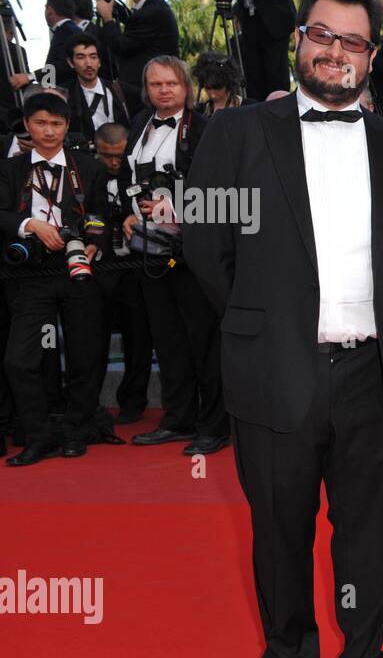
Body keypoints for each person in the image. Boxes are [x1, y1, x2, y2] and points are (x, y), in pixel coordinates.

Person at [185, 0, 383, 658]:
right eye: (323, 35)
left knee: (367, 534)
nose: (335, 52)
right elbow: (206, 249)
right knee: (280, 532)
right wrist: (264, 323)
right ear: (298, 41)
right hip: (275, 369)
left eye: (353, 42)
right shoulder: (238, 132)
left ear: (372, 57)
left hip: (370, 372)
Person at [121, 57, 225, 457]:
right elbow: (127, 181)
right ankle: (178, 419)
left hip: (194, 252)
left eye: (171, 84)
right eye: (155, 84)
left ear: (186, 87)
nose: (163, 91)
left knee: (204, 341)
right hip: (149, 251)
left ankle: (214, 425)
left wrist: (174, 206)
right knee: (168, 341)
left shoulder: (206, 129)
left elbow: (225, 192)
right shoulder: (139, 125)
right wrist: (129, 213)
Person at [0, 92, 110, 465]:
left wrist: (95, 241)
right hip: (29, 274)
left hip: (77, 270)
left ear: (67, 127)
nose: (49, 131)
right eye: (41, 123)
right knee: (19, 360)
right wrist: (28, 224)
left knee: (85, 356)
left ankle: (78, 432)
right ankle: (38, 436)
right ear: (28, 126)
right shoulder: (10, 169)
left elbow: (99, 215)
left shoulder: (89, 167)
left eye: (57, 124)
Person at [90, 120, 152, 425]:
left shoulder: (141, 174)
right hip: (98, 272)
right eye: (106, 156)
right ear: (96, 151)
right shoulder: (87, 177)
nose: (114, 162)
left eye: (119, 155)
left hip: (135, 271)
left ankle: (133, 403)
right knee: (92, 344)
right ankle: (88, 406)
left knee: (139, 342)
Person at [95, 0, 180, 117]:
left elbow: (122, 46)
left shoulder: (151, 12)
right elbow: (134, 25)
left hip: (145, 89)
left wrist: (107, 18)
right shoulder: (151, 7)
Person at [63, 33, 130, 145]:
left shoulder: (120, 90)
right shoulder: (65, 95)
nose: (88, 63)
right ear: (71, 62)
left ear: (99, 61)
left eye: (93, 57)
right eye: (81, 57)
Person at [6, 0, 79, 94]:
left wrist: (29, 77)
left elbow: (64, 65)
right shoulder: (70, 29)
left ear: (49, 11)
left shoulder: (66, 31)